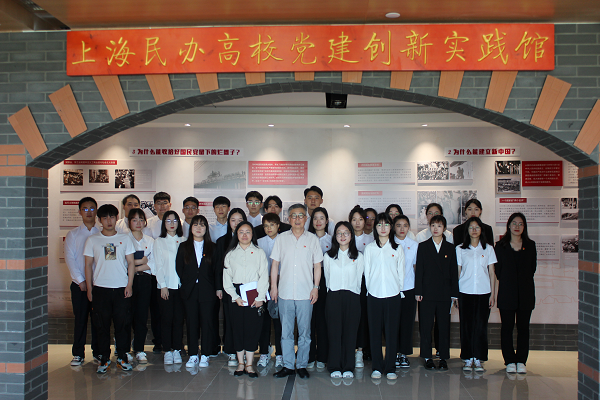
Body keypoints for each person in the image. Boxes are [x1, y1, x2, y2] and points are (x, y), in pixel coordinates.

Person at [270, 204, 324, 380]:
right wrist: (274, 286)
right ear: (288, 218)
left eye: (301, 215)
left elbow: (317, 265)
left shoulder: (313, 239)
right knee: (285, 332)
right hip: (284, 292)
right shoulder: (281, 239)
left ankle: (301, 365)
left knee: (305, 333)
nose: (297, 219)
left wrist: (315, 287)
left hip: (305, 293)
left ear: (306, 219)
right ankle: (287, 365)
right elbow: (275, 264)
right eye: (294, 215)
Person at [84, 204, 136, 374]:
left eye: (112, 217)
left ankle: (122, 357)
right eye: (105, 217)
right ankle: (104, 358)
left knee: (123, 325)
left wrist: (129, 284)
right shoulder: (92, 240)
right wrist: (90, 289)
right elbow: (88, 265)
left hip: (121, 288)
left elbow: (131, 263)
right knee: (102, 326)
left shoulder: (125, 238)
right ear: (99, 220)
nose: (109, 221)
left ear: (116, 218)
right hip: (101, 289)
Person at [223, 221, 269, 378]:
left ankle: (249, 364)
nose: (244, 235)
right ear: (236, 234)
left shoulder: (259, 252)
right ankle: (240, 363)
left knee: (252, 329)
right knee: (237, 329)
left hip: (254, 293)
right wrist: (234, 296)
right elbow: (226, 279)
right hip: (236, 294)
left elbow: (264, 276)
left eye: (248, 232)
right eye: (241, 232)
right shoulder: (230, 254)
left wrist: (260, 297)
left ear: (252, 234)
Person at [363, 213, 405, 380]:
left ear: (391, 227)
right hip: (374, 295)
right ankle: (377, 367)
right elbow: (366, 273)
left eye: (386, 224)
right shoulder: (369, 248)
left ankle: (390, 367)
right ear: (375, 227)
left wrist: (399, 290)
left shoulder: (397, 248)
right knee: (374, 332)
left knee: (391, 333)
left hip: (393, 295)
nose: (383, 228)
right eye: (379, 224)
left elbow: (401, 273)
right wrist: (370, 290)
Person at [415, 215, 459, 371]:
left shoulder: (450, 248)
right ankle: (427, 357)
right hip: (426, 293)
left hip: (444, 293)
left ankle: (443, 357)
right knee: (426, 326)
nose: (435, 228)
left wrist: (454, 294)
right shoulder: (423, 246)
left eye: (439, 226)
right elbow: (419, 270)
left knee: (443, 326)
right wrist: (418, 291)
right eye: (433, 225)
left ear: (444, 229)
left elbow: (454, 272)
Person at [495, 212, 537, 374]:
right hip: (507, 293)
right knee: (507, 328)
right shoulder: (500, 246)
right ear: (509, 225)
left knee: (523, 328)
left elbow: (532, 268)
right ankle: (509, 360)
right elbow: (498, 270)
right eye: (514, 223)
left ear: (524, 227)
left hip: (526, 293)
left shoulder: (530, 245)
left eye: (520, 224)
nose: (517, 226)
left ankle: (521, 360)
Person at [323, 221, 364, 379]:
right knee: (334, 333)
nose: (342, 236)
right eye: (339, 233)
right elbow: (327, 278)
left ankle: (348, 366)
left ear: (351, 236)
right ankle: (334, 366)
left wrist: (354, 293)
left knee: (350, 333)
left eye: (346, 233)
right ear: (335, 236)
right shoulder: (328, 256)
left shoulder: (358, 256)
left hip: (352, 296)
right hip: (333, 296)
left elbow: (359, 278)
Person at [456, 216, 497, 373]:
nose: (474, 230)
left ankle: (478, 358)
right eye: (471, 227)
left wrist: (493, 295)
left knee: (481, 326)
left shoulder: (488, 249)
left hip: (483, 292)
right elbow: (458, 272)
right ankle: (467, 357)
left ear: (481, 230)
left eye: (477, 227)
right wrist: (455, 295)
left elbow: (492, 273)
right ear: (467, 230)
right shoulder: (460, 249)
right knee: (466, 326)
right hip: (465, 292)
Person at [176, 215, 216, 368]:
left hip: (208, 290)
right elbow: (179, 267)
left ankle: (205, 354)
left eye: (202, 225)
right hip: (190, 290)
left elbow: (217, 269)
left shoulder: (213, 247)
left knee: (207, 323)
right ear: (190, 228)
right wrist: (188, 282)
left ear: (206, 228)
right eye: (195, 225)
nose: (199, 228)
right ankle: (193, 354)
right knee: (191, 323)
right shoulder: (183, 246)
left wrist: (217, 288)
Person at [64, 197, 100, 366]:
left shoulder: (101, 233)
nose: (88, 212)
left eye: (92, 208)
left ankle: (98, 352)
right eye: (85, 209)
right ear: (79, 212)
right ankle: (78, 354)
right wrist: (81, 280)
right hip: (80, 285)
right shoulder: (73, 234)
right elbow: (70, 259)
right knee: (80, 319)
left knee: (98, 320)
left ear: (96, 211)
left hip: (98, 284)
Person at [213, 208, 247, 364]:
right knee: (230, 319)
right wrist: (219, 287)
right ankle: (231, 350)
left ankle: (245, 349)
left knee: (245, 319)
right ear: (229, 222)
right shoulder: (222, 241)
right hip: (228, 287)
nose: (236, 223)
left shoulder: (250, 240)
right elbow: (218, 267)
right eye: (233, 220)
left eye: (240, 220)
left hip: (247, 286)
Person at [154, 210, 185, 365]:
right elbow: (158, 265)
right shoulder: (159, 241)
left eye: (175, 221)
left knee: (179, 320)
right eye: (168, 221)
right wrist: (163, 285)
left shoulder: (184, 240)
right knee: (166, 319)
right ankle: (167, 350)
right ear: (163, 223)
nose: (172, 224)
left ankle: (177, 349)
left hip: (181, 287)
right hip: (165, 287)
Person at [127, 208, 155, 364]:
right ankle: (124, 349)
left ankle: (139, 349)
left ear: (145, 222)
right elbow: (122, 262)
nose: (138, 223)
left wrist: (134, 266)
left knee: (142, 316)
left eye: (141, 220)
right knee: (126, 315)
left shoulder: (150, 241)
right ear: (129, 222)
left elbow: (152, 263)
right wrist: (141, 261)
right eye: (134, 220)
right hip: (127, 281)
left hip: (144, 280)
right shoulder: (123, 240)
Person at [256, 213, 284, 368]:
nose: (269, 228)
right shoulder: (258, 242)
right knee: (263, 322)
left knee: (279, 322)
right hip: (263, 287)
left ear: (278, 226)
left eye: (272, 225)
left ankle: (280, 354)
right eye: (266, 225)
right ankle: (264, 353)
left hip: (282, 286)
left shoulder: (285, 241)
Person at [348, 205, 373, 368]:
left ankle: (360, 351)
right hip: (348, 282)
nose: (357, 223)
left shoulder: (371, 240)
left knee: (362, 317)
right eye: (354, 219)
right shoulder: (345, 237)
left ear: (365, 222)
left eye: (361, 219)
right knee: (349, 316)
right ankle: (348, 349)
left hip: (364, 283)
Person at [392, 215, 418, 369]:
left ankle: (404, 354)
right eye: (398, 225)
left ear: (409, 227)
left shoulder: (414, 245)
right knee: (393, 322)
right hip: (392, 289)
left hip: (409, 288)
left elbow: (415, 268)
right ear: (393, 227)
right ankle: (394, 352)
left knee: (407, 322)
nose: (402, 229)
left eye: (405, 225)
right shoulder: (389, 243)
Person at [307, 207, 331, 369]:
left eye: (322, 218)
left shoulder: (332, 240)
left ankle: (322, 356)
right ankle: (309, 356)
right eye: (315, 218)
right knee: (308, 319)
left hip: (326, 281)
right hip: (308, 279)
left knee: (323, 319)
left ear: (327, 221)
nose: (318, 221)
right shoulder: (307, 238)